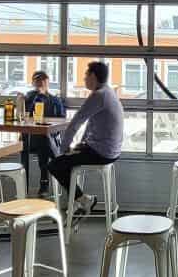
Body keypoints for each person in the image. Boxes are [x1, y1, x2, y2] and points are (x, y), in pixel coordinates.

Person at [48, 61, 122, 214]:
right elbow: (91, 123)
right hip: (111, 150)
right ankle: (76, 201)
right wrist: (82, 144)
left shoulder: (98, 95)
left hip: (102, 152)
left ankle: (83, 200)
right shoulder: (109, 92)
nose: (84, 79)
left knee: (55, 165)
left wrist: (63, 149)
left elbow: (75, 123)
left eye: (85, 75)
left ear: (93, 76)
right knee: (68, 162)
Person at [22, 70, 65, 193]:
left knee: (45, 138)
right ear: (33, 82)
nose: (41, 82)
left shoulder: (55, 99)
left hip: (52, 137)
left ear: (48, 82)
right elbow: (27, 115)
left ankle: (45, 179)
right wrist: (38, 97)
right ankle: (45, 177)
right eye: (38, 80)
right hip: (31, 139)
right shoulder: (29, 97)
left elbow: (62, 119)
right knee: (43, 138)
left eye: (43, 80)